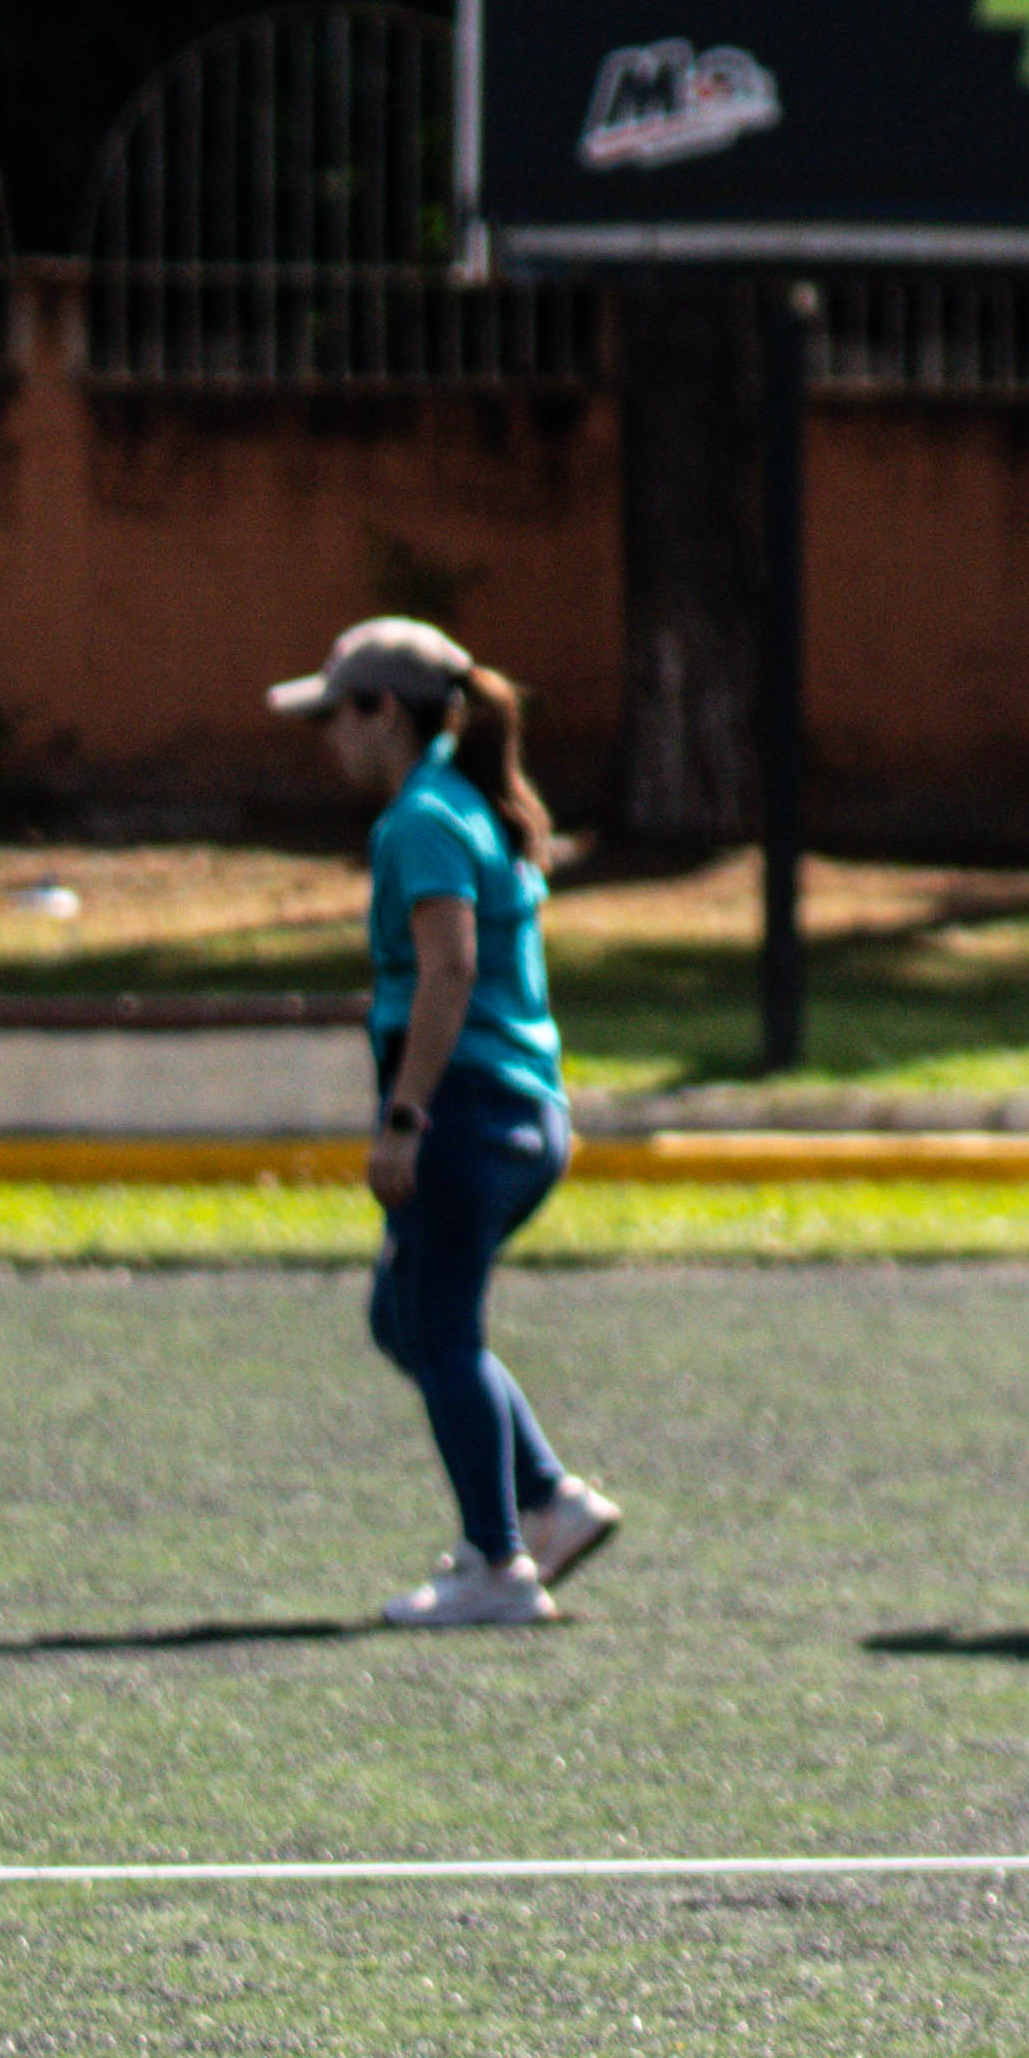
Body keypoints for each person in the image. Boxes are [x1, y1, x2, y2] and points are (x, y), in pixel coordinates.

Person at [280, 615, 616, 1632]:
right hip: (519, 1109)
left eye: (337, 716)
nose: (329, 739)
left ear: (385, 710)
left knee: (438, 1328)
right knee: (406, 1317)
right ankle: (547, 1499)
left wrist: (404, 1116)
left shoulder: (423, 818)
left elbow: (451, 967)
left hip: (466, 1109)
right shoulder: (470, 801)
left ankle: (497, 1562)